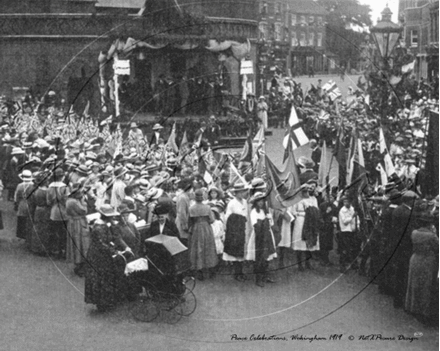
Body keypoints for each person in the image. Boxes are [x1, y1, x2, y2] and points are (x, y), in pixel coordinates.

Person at [84, 204, 131, 312]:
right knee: (101, 277)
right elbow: (102, 244)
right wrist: (114, 251)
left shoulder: (105, 225)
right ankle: (102, 303)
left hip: (103, 254)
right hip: (98, 256)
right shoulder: (99, 228)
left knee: (105, 277)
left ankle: (106, 301)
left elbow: (111, 239)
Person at [405, 203, 439, 326]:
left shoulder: (414, 233)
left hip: (415, 259)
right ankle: (424, 312)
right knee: (426, 286)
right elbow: (437, 248)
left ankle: (412, 307)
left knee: (414, 284)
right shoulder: (431, 236)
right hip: (427, 261)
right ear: (429, 224)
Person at [390, 190, 418, 309]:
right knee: (403, 273)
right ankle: (401, 301)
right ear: (410, 200)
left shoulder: (398, 210)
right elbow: (409, 231)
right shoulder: (407, 213)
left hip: (398, 245)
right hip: (405, 246)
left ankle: (397, 299)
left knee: (399, 273)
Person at [246, 192, 277, 287]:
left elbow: (271, 224)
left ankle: (265, 276)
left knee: (267, 256)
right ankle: (258, 278)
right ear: (255, 202)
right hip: (258, 236)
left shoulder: (266, 211)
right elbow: (255, 224)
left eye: (262, 201)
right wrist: (264, 222)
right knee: (259, 256)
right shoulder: (254, 212)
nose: (261, 203)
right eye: (258, 201)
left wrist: (269, 218)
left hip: (267, 235)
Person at [188, 189, 218, 280]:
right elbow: (212, 220)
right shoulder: (207, 207)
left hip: (196, 228)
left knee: (198, 248)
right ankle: (211, 269)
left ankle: (199, 270)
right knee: (208, 248)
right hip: (206, 228)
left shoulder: (191, 208)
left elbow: (189, 221)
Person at [223, 181, 250, 282]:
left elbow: (246, 214)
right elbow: (227, 217)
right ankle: (237, 273)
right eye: (240, 192)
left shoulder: (244, 202)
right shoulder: (232, 203)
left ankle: (241, 272)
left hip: (243, 227)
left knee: (242, 250)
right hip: (235, 229)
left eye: (243, 192)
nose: (242, 194)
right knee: (236, 251)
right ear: (236, 193)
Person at [291, 184, 320, 271]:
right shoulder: (297, 200)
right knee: (299, 241)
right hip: (300, 220)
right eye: (304, 191)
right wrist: (298, 215)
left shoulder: (312, 199)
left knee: (308, 241)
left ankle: (307, 262)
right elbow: (293, 211)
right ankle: (299, 264)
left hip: (309, 221)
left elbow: (316, 210)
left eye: (307, 191)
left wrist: (311, 211)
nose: (306, 192)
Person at [65, 182, 90, 277]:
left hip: (73, 222)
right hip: (77, 223)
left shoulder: (70, 200)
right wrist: (83, 202)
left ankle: (79, 263)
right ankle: (79, 265)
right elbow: (83, 210)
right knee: (80, 243)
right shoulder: (74, 202)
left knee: (77, 243)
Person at [46, 168, 70, 259]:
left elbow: (48, 202)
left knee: (54, 231)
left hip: (54, 211)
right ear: (62, 177)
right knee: (63, 232)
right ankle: (63, 251)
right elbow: (66, 201)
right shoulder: (65, 187)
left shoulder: (50, 187)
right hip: (63, 211)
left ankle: (54, 250)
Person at [337, 196, 360, 273]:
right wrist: (352, 216)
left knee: (353, 248)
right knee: (344, 249)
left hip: (352, 231)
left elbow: (356, 219)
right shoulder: (342, 211)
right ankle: (342, 266)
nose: (346, 203)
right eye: (345, 202)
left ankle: (353, 264)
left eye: (348, 201)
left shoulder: (352, 209)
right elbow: (345, 221)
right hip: (345, 231)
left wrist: (357, 226)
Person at [14, 169, 36, 245]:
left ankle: (21, 236)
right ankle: (28, 237)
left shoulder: (19, 186)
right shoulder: (33, 185)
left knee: (21, 219)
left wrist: (16, 203)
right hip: (30, 204)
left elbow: (16, 196)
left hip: (22, 203)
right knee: (29, 219)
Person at [319, 192, 338, 266]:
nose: (330, 199)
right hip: (323, 227)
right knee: (323, 243)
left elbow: (335, 215)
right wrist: (326, 212)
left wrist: (334, 219)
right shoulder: (322, 205)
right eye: (329, 197)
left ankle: (326, 259)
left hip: (330, 227)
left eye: (332, 198)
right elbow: (320, 216)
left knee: (328, 244)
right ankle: (322, 260)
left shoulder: (334, 207)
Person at [175, 178, 192, 246]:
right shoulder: (183, 197)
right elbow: (182, 212)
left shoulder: (184, 196)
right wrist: (185, 226)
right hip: (182, 223)